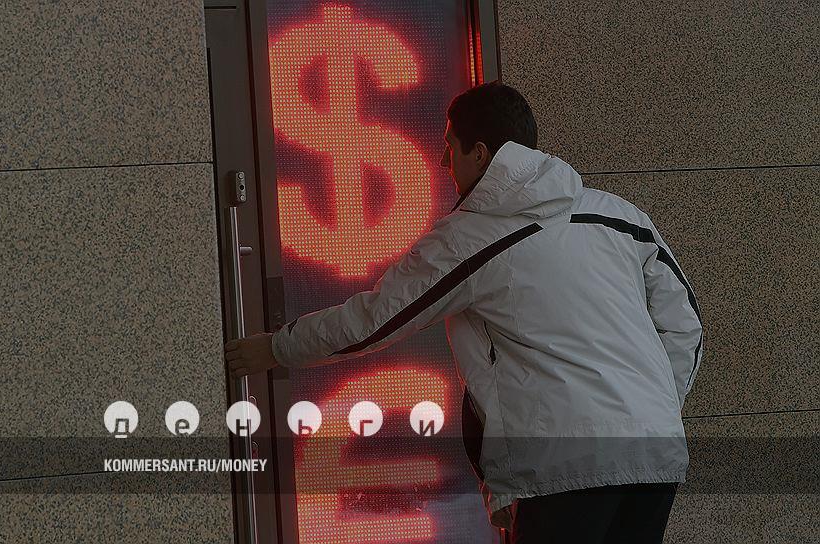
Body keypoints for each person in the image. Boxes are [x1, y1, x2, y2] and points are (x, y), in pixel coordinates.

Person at [224, 82, 703, 544]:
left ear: (480, 153)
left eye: (449, 146)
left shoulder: (470, 238)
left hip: (564, 463)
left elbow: (374, 320)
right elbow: (685, 326)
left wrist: (276, 347)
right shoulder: (620, 218)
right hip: (654, 456)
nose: (441, 161)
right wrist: (654, 407)